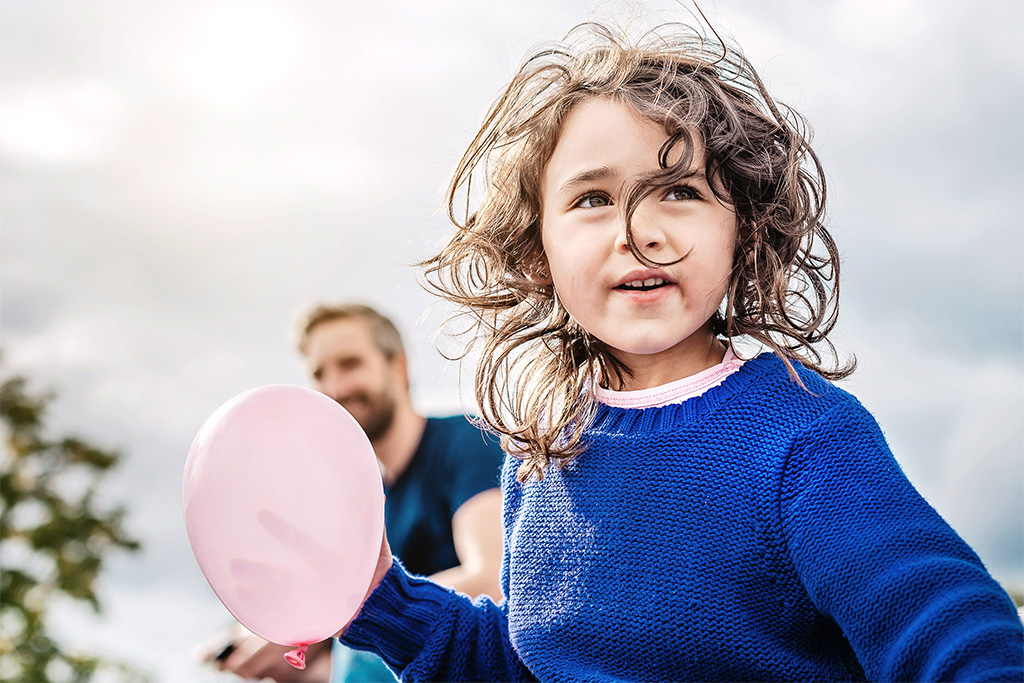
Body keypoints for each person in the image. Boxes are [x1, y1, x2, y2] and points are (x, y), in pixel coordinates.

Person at [330, 20, 1024, 683]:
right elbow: (533, 665)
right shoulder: (538, 455)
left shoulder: (806, 440)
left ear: (743, 232)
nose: (639, 231)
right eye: (594, 197)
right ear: (537, 249)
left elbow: (956, 636)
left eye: (681, 190)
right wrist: (382, 601)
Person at [205, 303, 506, 682]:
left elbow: (492, 580)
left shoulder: (466, 441)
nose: (335, 388)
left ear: (399, 367)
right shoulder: (359, 501)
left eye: (350, 364)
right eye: (319, 374)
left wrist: (326, 624)